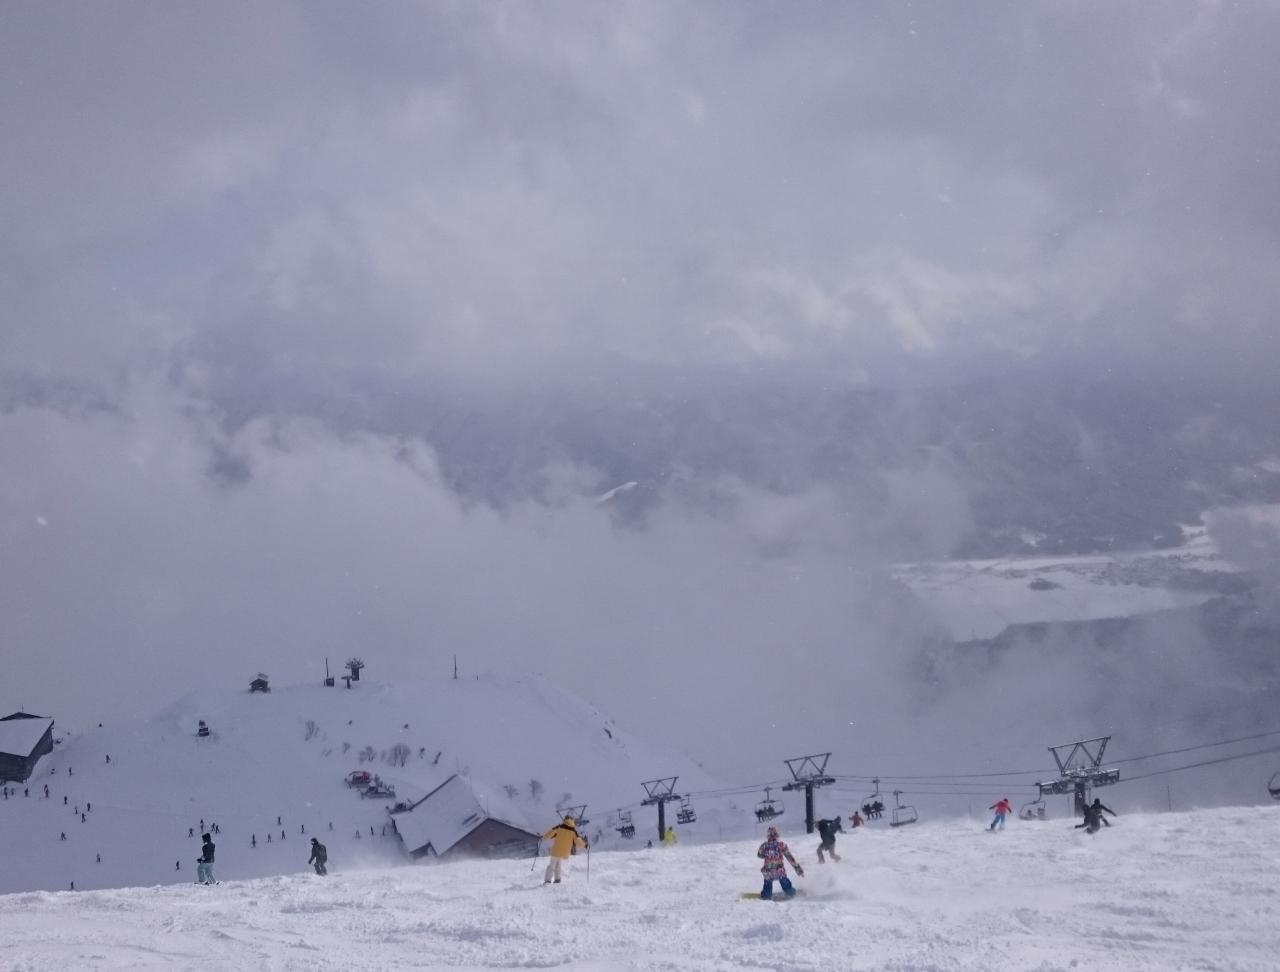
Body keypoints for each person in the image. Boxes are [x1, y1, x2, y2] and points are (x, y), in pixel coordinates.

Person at [756, 825, 804, 899]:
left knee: (768, 884)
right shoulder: (781, 845)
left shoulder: (764, 845)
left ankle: (766, 895)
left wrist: (766, 855)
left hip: (768, 871)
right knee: (785, 883)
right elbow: (790, 858)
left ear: (768, 835)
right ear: (777, 835)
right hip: (779, 871)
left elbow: (759, 855)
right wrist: (798, 869)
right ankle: (790, 892)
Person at [540, 814, 587, 884]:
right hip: (564, 852)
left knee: (551, 865)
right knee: (558, 864)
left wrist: (543, 838)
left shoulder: (559, 827)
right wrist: (585, 845)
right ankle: (557, 879)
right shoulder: (573, 831)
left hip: (556, 850)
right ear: (572, 821)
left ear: (565, 819)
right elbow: (578, 840)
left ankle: (548, 880)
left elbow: (550, 833)